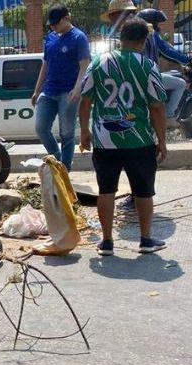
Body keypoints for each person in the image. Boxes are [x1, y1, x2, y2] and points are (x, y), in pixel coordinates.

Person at [78, 17, 169, 256]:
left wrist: (85, 132)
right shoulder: (148, 66)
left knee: (106, 190)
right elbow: (157, 107)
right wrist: (163, 141)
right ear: (143, 40)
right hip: (138, 140)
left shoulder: (98, 63)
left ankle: (107, 242)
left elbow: (85, 100)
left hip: (104, 139)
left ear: (121, 38)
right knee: (143, 191)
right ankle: (145, 240)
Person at [32, 5, 90, 169]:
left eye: (56, 23)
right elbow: (45, 64)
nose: (53, 27)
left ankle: (65, 168)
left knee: (66, 132)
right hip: (49, 91)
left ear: (66, 18)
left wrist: (77, 88)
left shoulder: (79, 38)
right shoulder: (50, 38)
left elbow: (84, 65)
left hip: (68, 92)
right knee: (41, 128)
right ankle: (58, 159)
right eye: (51, 24)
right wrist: (37, 90)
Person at [136, 8, 190, 120]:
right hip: (149, 76)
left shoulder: (137, 35)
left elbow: (163, 53)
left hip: (139, 74)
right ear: (150, 22)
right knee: (181, 83)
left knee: (173, 74)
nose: (158, 25)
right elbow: (167, 51)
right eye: (156, 23)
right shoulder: (151, 35)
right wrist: (187, 60)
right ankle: (168, 115)